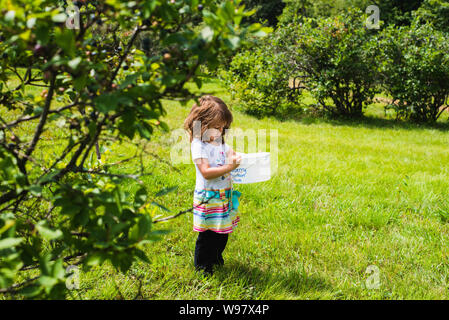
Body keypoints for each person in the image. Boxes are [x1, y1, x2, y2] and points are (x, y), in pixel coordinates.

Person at [184, 95, 242, 276]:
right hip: (208, 197)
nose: (220, 131)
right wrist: (229, 167)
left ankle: (216, 258)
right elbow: (206, 172)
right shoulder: (198, 145)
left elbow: (228, 152)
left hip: (223, 195)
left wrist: (237, 157)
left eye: (223, 127)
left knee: (222, 232)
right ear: (201, 125)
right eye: (217, 127)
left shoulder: (218, 140)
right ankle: (203, 267)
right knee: (208, 234)